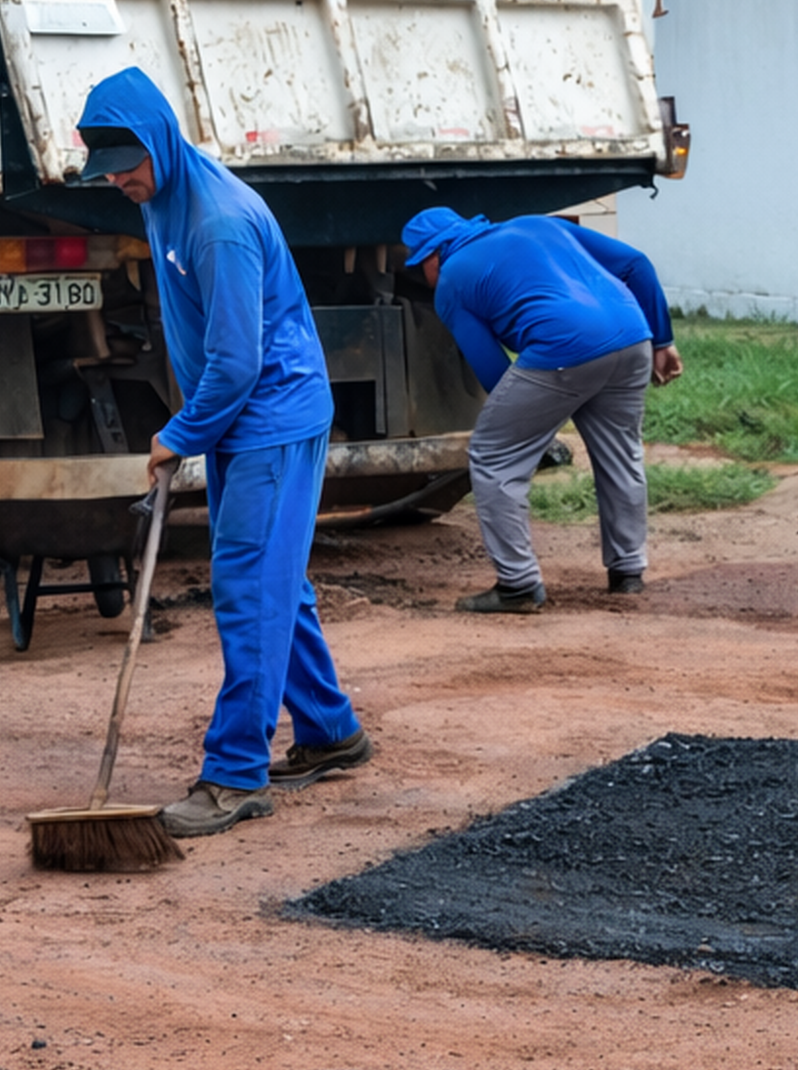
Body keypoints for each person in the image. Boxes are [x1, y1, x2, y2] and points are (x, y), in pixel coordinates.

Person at [76, 67, 372, 839]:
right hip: (248, 418)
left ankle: (235, 773)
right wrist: (196, 424)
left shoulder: (218, 223)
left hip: (271, 417)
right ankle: (330, 730)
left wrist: (181, 432)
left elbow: (238, 361)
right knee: (276, 580)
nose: (121, 184)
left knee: (250, 589)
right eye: (108, 175)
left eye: (127, 168)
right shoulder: (163, 197)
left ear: (159, 142)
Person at [398, 205, 684, 613]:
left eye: (418, 265)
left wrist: (530, 430)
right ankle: (628, 572)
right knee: (621, 454)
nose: (422, 276)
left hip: (564, 345)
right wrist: (662, 340)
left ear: (433, 254)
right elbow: (636, 264)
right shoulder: (539, 224)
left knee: (493, 453)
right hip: (633, 335)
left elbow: (494, 371)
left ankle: (517, 584)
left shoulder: (452, 281)